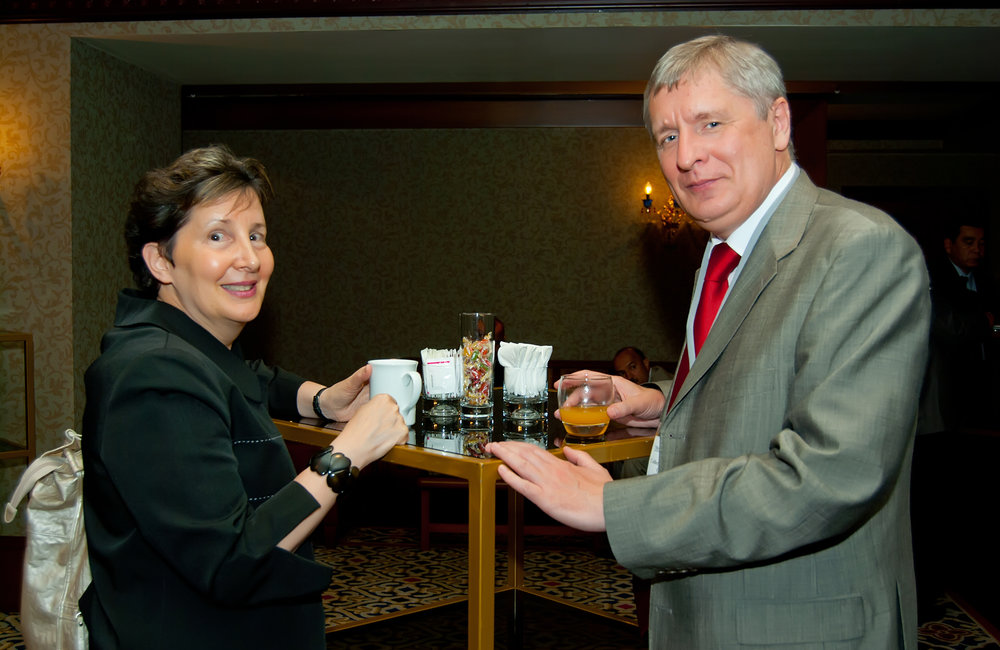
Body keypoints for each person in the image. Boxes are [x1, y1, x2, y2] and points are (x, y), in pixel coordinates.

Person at [487, 35, 929, 648]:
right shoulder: (721, 254)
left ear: (778, 122)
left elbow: (830, 475)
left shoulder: (859, 248)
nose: (686, 156)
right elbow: (764, 384)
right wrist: (662, 404)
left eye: (710, 124)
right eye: (667, 136)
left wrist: (614, 509)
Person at [80, 145, 409, 650]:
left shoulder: (182, 344)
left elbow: (252, 376)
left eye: (256, 236)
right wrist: (347, 454)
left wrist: (324, 400)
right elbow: (230, 562)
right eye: (219, 236)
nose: (250, 259)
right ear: (161, 260)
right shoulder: (152, 376)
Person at [919, 219, 998, 433]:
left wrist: (993, 330)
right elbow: (948, 327)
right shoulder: (932, 279)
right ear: (949, 245)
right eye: (969, 242)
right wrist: (986, 326)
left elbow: (998, 327)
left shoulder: (986, 282)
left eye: (981, 243)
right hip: (947, 386)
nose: (976, 249)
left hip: (982, 386)